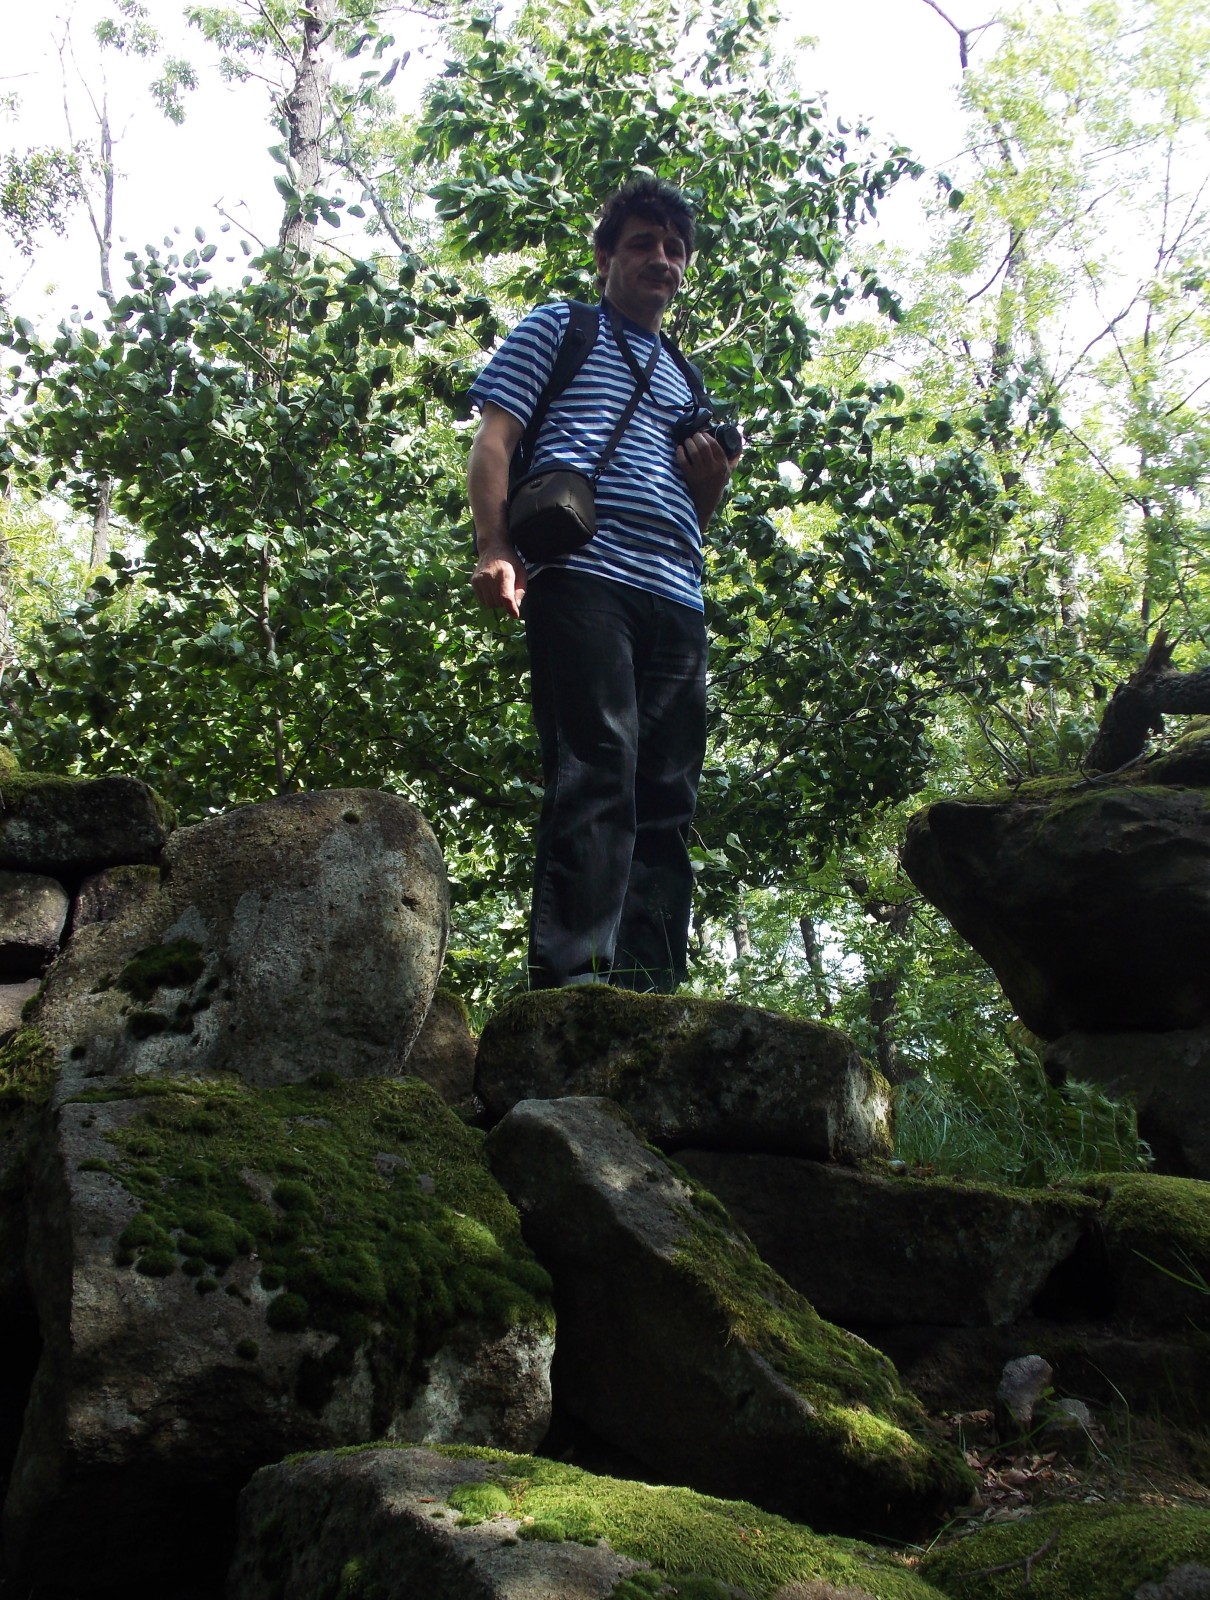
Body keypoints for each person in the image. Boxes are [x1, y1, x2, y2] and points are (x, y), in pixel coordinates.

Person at [467, 178, 738, 992]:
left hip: (676, 596)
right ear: (606, 258)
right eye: (643, 243)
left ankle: (648, 998)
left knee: (667, 797)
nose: (662, 259)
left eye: (675, 249)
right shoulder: (563, 327)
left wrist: (712, 481)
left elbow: (694, 510)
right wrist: (495, 547)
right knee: (596, 772)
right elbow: (495, 440)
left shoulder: (686, 378)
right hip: (584, 577)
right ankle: (573, 992)